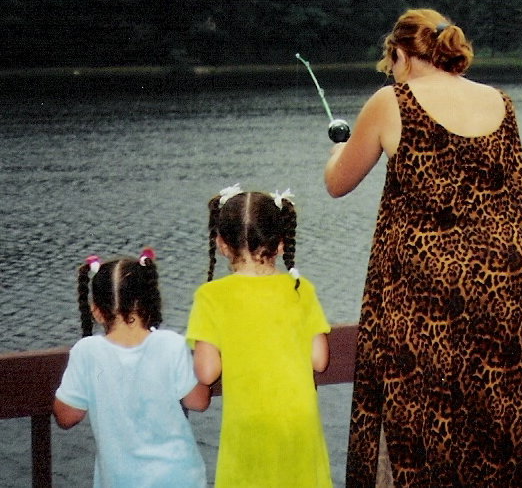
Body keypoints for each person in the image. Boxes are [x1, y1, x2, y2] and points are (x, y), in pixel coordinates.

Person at [324, 8, 522, 486]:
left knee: (427, 413)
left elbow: (337, 183)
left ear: (401, 54)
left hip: (430, 292)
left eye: (390, 60)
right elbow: (513, 193)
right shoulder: (500, 100)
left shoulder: (391, 101)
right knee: (501, 407)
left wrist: (336, 150)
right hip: (507, 285)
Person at [186, 186, 332, 487]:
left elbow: (207, 370)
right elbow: (319, 360)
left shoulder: (211, 296)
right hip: (298, 422)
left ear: (222, 244)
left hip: (249, 424)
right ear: (280, 243)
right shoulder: (301, 289)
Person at [53, 249, 208, 488]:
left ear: (96, 310)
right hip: (180, 477)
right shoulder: (171, 344)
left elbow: (66, 417)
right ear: (149, 301)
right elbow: (198, 402)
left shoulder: (87, 352)